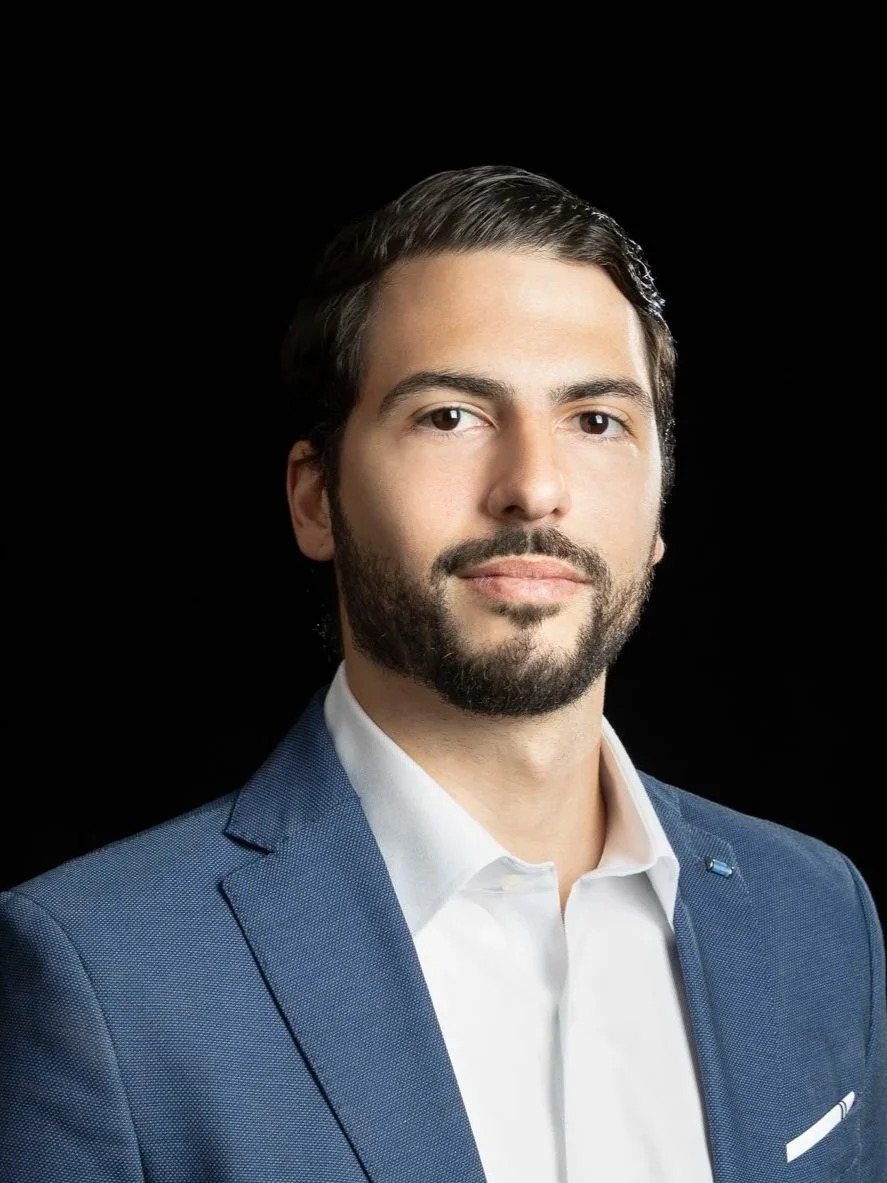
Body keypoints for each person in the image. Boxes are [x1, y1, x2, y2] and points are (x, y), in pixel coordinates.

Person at [1, 166, 883, 1183]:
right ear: (314, 500)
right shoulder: (99, 975)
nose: (533, 488)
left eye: (595, 420)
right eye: (449, 416)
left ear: (657, 513)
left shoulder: (815, 915)